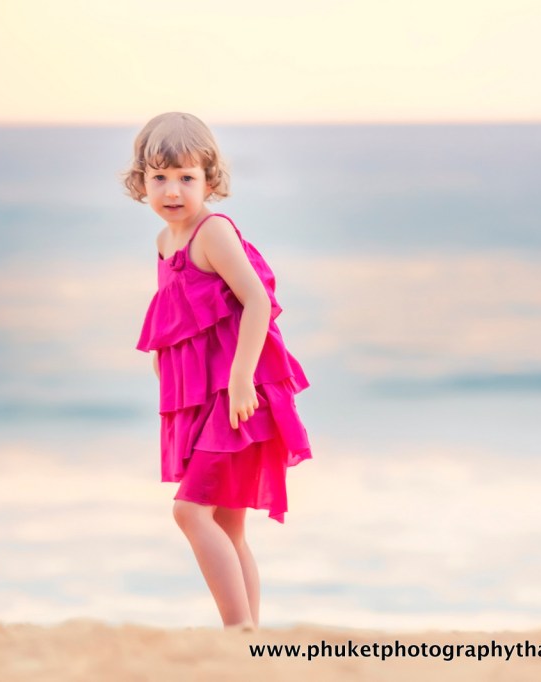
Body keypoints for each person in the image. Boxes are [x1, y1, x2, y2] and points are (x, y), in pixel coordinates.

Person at [125, 112, 312, 632]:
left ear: (210, 180)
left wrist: (240, 380)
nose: (173, 190)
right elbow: (181, 324)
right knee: (228, 525)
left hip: (239, 394)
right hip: (203, 400)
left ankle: (239, 633)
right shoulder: (166, 241)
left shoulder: (213, 233)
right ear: (141, 181)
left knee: (190, 512)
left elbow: (256, 301)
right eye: (159, 177)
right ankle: (250, 637)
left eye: (187, 177)